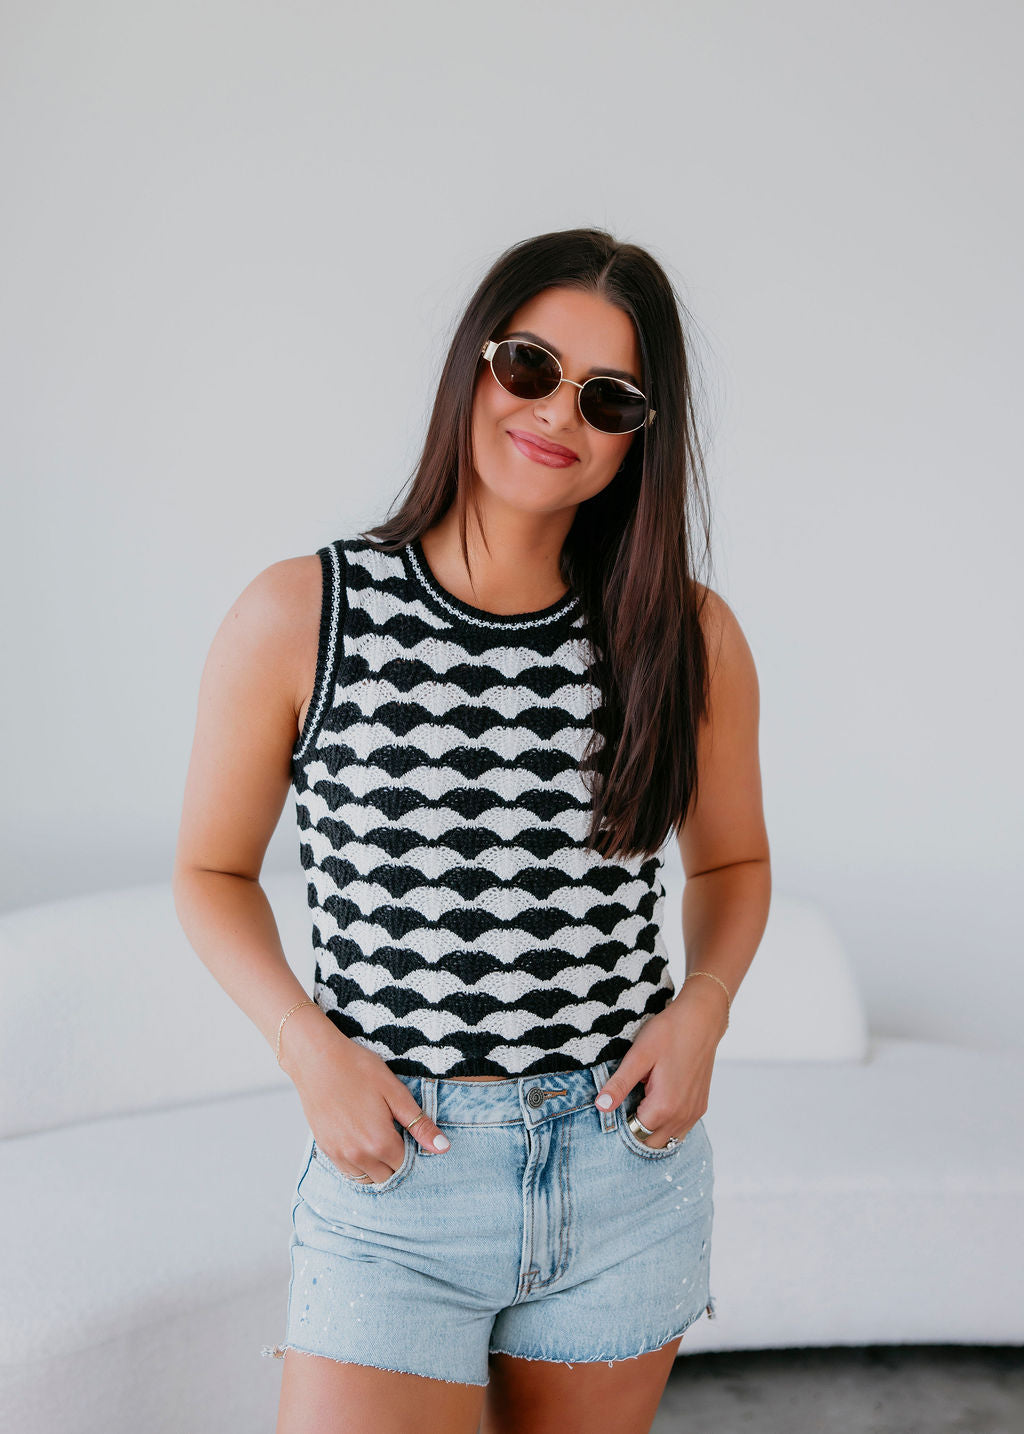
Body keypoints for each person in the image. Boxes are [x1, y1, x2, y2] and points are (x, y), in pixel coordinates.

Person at [173, 226, 770, 1434]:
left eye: (608, 398)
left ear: (639, 434)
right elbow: (209, 870)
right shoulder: (302, 614)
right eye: (530, 365)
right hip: (398, 1178)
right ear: (475, 363)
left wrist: (702, 1008)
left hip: (623, 1169)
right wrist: (308, 1050)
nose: (557, 414)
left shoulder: (683, 634)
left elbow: (733, 861)